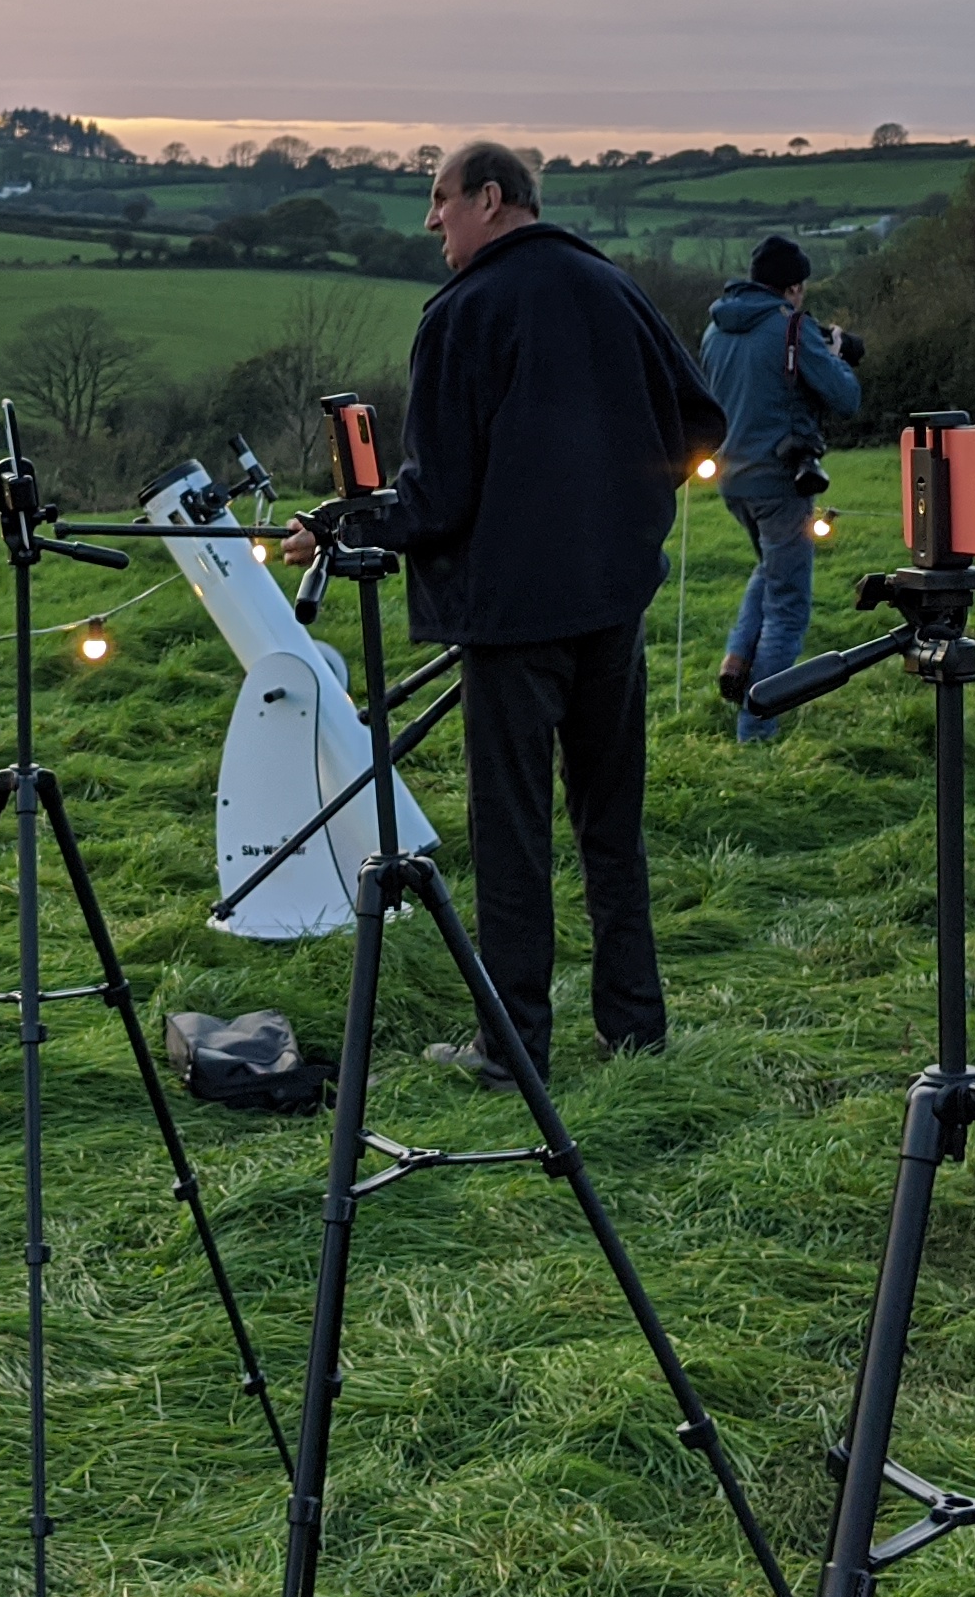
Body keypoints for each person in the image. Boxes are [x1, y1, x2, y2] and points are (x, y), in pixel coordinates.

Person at [279, 138, 725, 1088]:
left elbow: (437, 497)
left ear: (492, 197)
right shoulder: (613, 287)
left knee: (513, 838)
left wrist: (339, 524)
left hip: (514, 624)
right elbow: (699, 424)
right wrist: (618, 506)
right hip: (613, 606)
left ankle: (510, 1045)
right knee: (613, 825)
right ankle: (635, 1028)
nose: (431, 220)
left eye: (440, 199)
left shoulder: (465, 313)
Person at [700, 235, 863, 744]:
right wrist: (834, 354)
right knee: (790, 605)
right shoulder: (789, 326)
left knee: (771, 569)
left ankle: (737, 657)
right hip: (781, 478)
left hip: (731, 478)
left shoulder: (715, 329)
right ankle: (757, 725)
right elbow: (845, 396)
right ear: (793, 287)